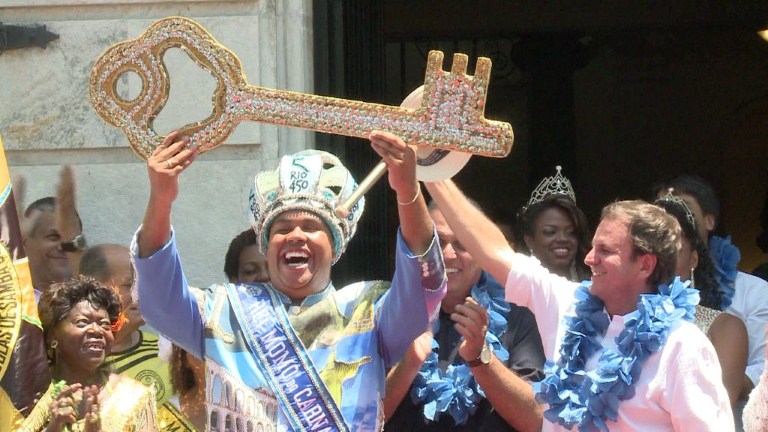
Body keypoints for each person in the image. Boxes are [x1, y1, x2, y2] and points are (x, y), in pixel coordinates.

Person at [132, 130, 446, 431]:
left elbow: (424, 286)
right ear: (266, 249)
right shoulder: (222, 310)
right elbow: (159, 301)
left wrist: (408, 193)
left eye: (311, 226)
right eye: (282, 229)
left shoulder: (367, 309)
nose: (296, 235)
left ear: (334, 246)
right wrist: (160, 198)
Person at [426, 178, 734, 431]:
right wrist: (434, 173)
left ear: (645, 265)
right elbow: (494, 251)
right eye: (593, 247)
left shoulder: (682, 345)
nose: (588, 258)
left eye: (605, 251)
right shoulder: (569, 305)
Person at [384, 200, 545, 431]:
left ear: (481, 251)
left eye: (461, 244)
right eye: (437, 243)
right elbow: (362, 417)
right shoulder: (389, 311)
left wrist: (481, 358)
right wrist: (409, 362)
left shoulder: (519, 314)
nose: (448, 255)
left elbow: (536, 420)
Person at [657, 175, 768, 402]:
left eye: (680, 206)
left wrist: (730, 376)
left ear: (708, 220)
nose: (668, 216)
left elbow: (762, 368)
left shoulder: (753, 291)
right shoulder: (626, 313)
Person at [22, 276, 157, 431]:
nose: (96, 330)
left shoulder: (133, 396)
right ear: (53, 335)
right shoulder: (28, 393)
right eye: (82, 322)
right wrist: (54, 427)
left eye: (104, 324)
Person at [79, 244, 174, 407]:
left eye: (142, 284)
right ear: (93, 290)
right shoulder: (73, 363)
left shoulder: (166, 351)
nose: (141, 294)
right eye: (128, 285)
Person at [516, 166, 591, 281]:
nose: (563, 239)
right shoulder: (515, 283)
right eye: (550, 232)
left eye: (571, 232)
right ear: (530, 241)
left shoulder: (593, 285)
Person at [22, 167, 86, 301]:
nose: (65, 245)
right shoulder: (10, 304)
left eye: (72, 239)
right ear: (25, 242)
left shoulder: (93, 304)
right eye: (53, 237)